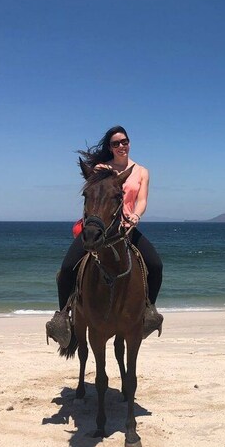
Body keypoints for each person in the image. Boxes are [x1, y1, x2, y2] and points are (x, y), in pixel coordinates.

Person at [46, 125, 164, 347]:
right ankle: (63, 317)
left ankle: (148, 311)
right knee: (66, 270)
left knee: (156, 265)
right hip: (100, 229)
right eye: (115, 143)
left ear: (129, 143)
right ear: (109, 147)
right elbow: (94, 198)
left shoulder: (141, 171)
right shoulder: (101, 168)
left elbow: (142, 200)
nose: (121, 146)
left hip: (127, 227)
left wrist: (136, 216)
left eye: (124, 142)